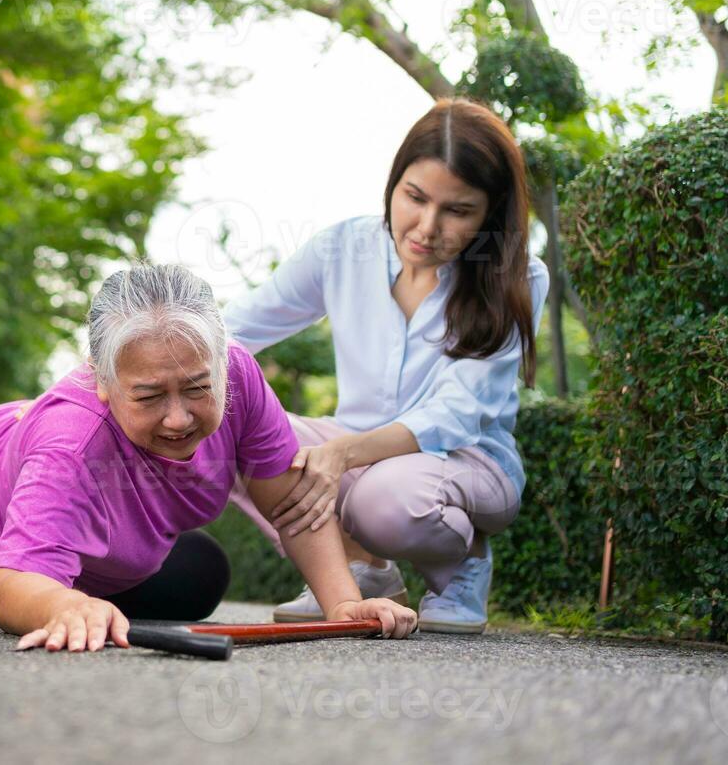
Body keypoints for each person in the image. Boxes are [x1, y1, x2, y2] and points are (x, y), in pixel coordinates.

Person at [0, 263, 418, 653]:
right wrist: (64, 605)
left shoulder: (238, 374)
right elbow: (14, 584)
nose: (179, 419)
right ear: (101, 380)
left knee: (202, 576)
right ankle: (75, 579)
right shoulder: (69, 448)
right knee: (68, 595)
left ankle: (88, 575)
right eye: (149, 396)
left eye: (199, 388)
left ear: (222, 364)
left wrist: (345, 605)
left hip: (73, 491)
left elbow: (293, 505)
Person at [224, 98, 550, 634]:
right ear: (394, 181)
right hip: (354, 448)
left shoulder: (519, 277)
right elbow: (234, 330)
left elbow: (457, 414)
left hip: (466, 460)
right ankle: (361, 571)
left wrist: (341, 454)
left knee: (385, 500)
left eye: (458, 211)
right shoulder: (343, 248)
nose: (426, 227)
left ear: (489, 214)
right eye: (414, 197)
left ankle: (461, 566)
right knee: (226, 423)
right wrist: (118, 368)